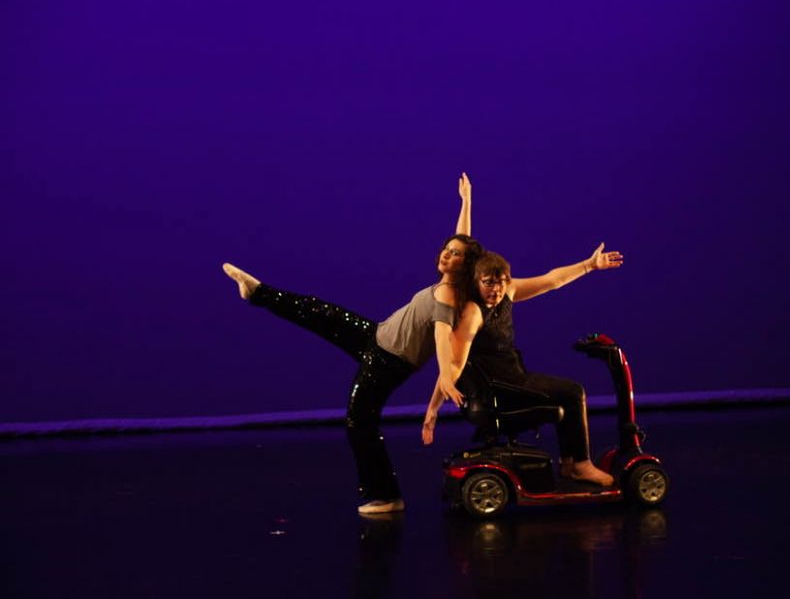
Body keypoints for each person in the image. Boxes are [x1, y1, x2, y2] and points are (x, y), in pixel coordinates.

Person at [222, 173, 481, 514]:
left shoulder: (449, 296)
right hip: (374, 336)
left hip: (386, 362)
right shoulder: (447, 282)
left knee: (360, 421)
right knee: (319, 311)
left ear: (466, 266)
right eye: (446, 250)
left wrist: (446, 377)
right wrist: (466, 202)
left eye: (455, 255)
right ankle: (258, 292)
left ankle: (386, 496)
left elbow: (440, 336)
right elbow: (464, 238)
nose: (446, 255)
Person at [421, 246, 622, 487]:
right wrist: (433, 408)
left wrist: (589, 265)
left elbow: (551, 280)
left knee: (565, 395)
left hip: (515, 377)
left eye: (501, 283)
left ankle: (570, 464)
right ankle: (581, 465)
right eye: (488, 283)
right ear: (477, 282)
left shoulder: (509, 291)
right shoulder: (473, 312)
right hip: (500, 388)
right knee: (573, 392)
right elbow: (454, 363)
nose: (496, 290)